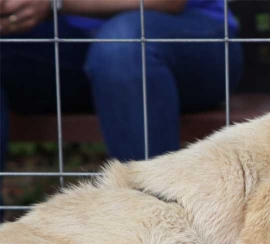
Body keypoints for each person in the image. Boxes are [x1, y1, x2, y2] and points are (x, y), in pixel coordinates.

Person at [0, 0, 243, 167]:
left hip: (190, 44)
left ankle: (151, 224)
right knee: (116, 48)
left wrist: (55, 2)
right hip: (73, 47)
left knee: (122, 45)